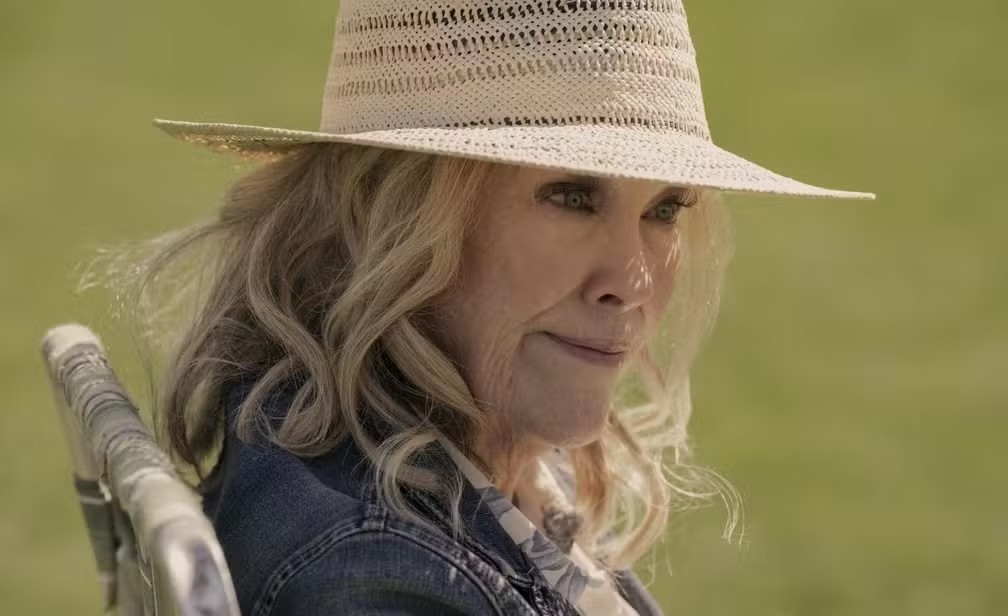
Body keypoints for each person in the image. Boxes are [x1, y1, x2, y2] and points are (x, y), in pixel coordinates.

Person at [132, 1, 874, 614]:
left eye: (666, 209)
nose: (633, 281)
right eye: (571, 196)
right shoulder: (378, 571)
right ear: (390, 214)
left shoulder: (370, 454)